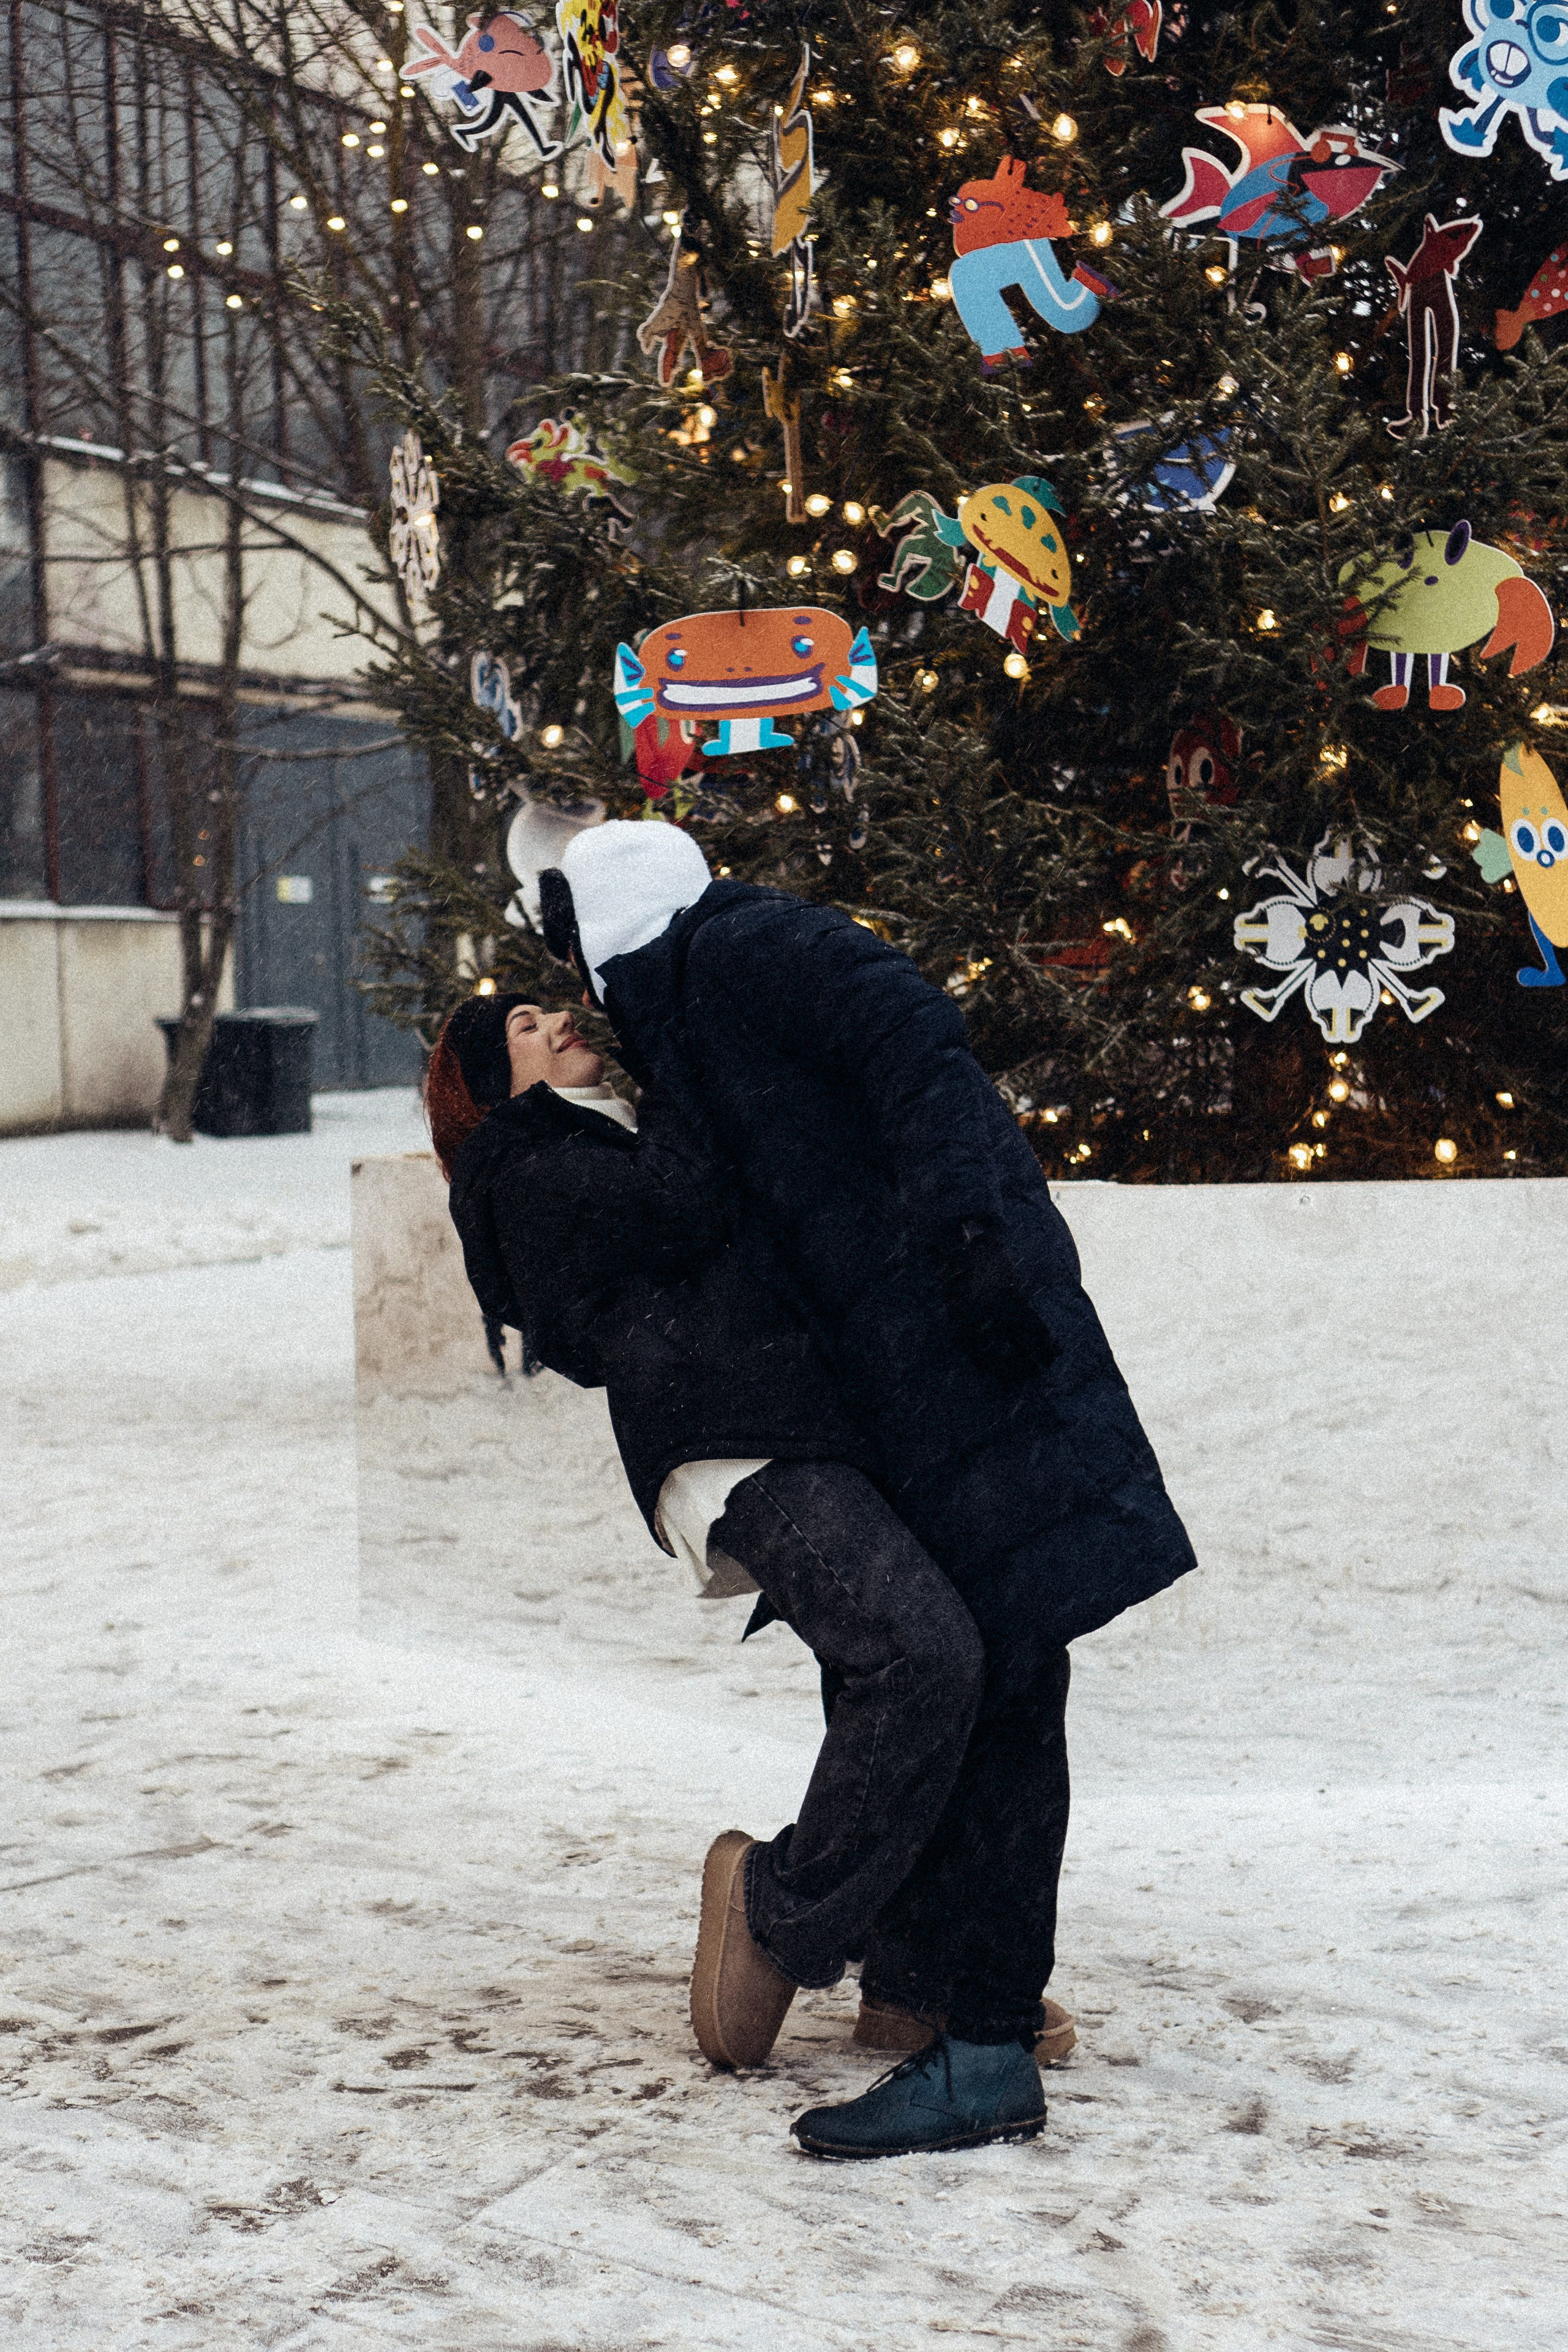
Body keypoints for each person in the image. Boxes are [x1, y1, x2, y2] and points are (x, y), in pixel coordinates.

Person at [533, 819, 1198, 2160]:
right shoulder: (691, 1016)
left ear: (603, 929)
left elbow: (909, 1036)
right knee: (955, 1675)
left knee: (1003, 1675)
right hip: (911, 1369)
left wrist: (966, 1237)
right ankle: (941, 1991)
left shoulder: (740, 947)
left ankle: (986, 2049)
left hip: (972, 1341)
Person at [427, 988, 1072, 2156]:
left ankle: (920, 1980)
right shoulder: (516, 1167)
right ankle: (776, 1908)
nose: (557, 1022)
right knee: (919, 1655)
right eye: (521, 1027)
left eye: (550, 1007)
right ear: (488, 1083)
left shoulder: (606, 1127)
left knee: (947, 1655)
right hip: (733, 1441)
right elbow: (682, 1208)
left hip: (813, 1420)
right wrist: (690, 1075)